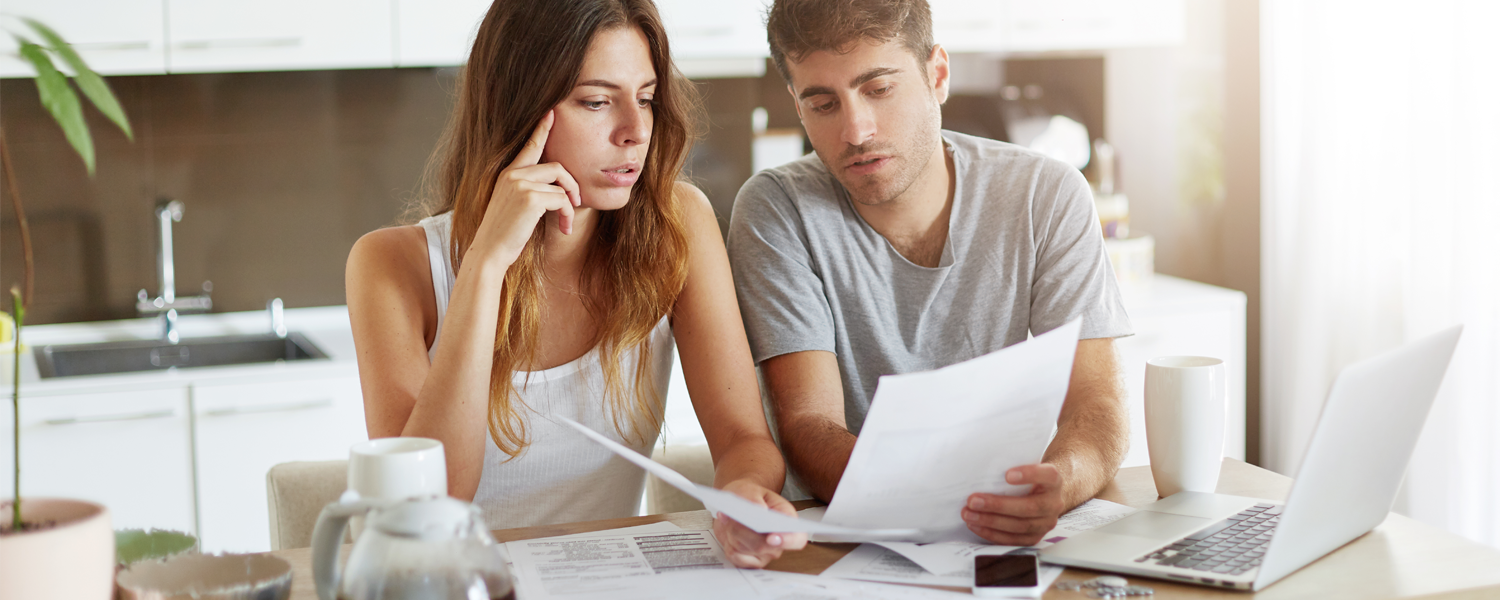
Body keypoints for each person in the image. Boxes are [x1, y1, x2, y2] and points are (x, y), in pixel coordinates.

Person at [345, 0, 804, 568]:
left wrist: (744, 494)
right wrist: (486, 265)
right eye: (596, 102)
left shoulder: (677, 227)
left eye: (646, 98)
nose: (635, 132)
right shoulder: (391, 265)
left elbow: (743, 439)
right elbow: (424, 509)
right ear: (519, 106)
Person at [727, 0, 1133, 546]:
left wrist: (1060, 483)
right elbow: (808, 426)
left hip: (1001, 533)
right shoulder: (777, 210)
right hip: (847, 537)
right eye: (822, 104)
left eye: (879, 89)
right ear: (798, 107)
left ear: (937, 75)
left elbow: (1097, 403)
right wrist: (943, 504)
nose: (855, 131)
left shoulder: (1047, 194)